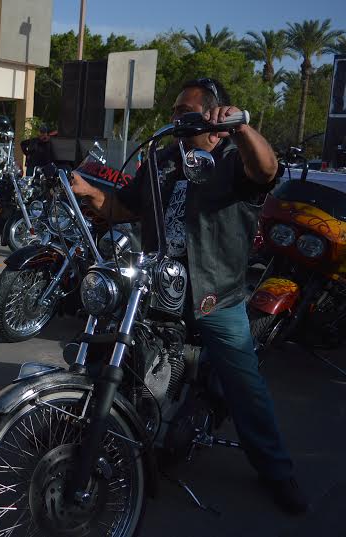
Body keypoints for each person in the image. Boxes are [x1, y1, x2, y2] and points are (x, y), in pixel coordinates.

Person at [69, 78, 308, 515]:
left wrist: (241, 127)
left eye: (184, 111)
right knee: (111, 345)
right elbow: (124, 207)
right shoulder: (161, 159)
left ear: (211, 116)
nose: (175, 118)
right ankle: (92, 430)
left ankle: (276, 469)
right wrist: (90, 192)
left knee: (244, 383)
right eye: (175, 111)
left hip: (214, 294)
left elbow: (266, 171)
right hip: (158, 286)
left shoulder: (233, 158)